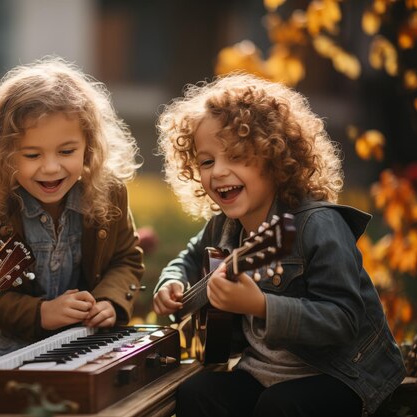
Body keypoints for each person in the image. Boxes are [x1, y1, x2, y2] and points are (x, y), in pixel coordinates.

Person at [152, 73, 406, 416]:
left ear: (275, 157)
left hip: (340, 375)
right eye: (207, 161)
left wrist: (262, 306)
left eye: (237, 157)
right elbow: (186, 259)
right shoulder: (224, 227)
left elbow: (343, 319)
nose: (218, 172)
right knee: (197, 392)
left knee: (280, 406)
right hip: (263, 373)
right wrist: (171, 283)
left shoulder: (319, 226)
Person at [0, 57, 144, 358]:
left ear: (89, 146)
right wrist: (40, 313)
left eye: (67, 151)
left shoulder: (108, 194)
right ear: (4, 154)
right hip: (4, 345)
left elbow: (126, 259)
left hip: (83, 339)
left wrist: (110, 301)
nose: (51, 167)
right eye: (32, 155)